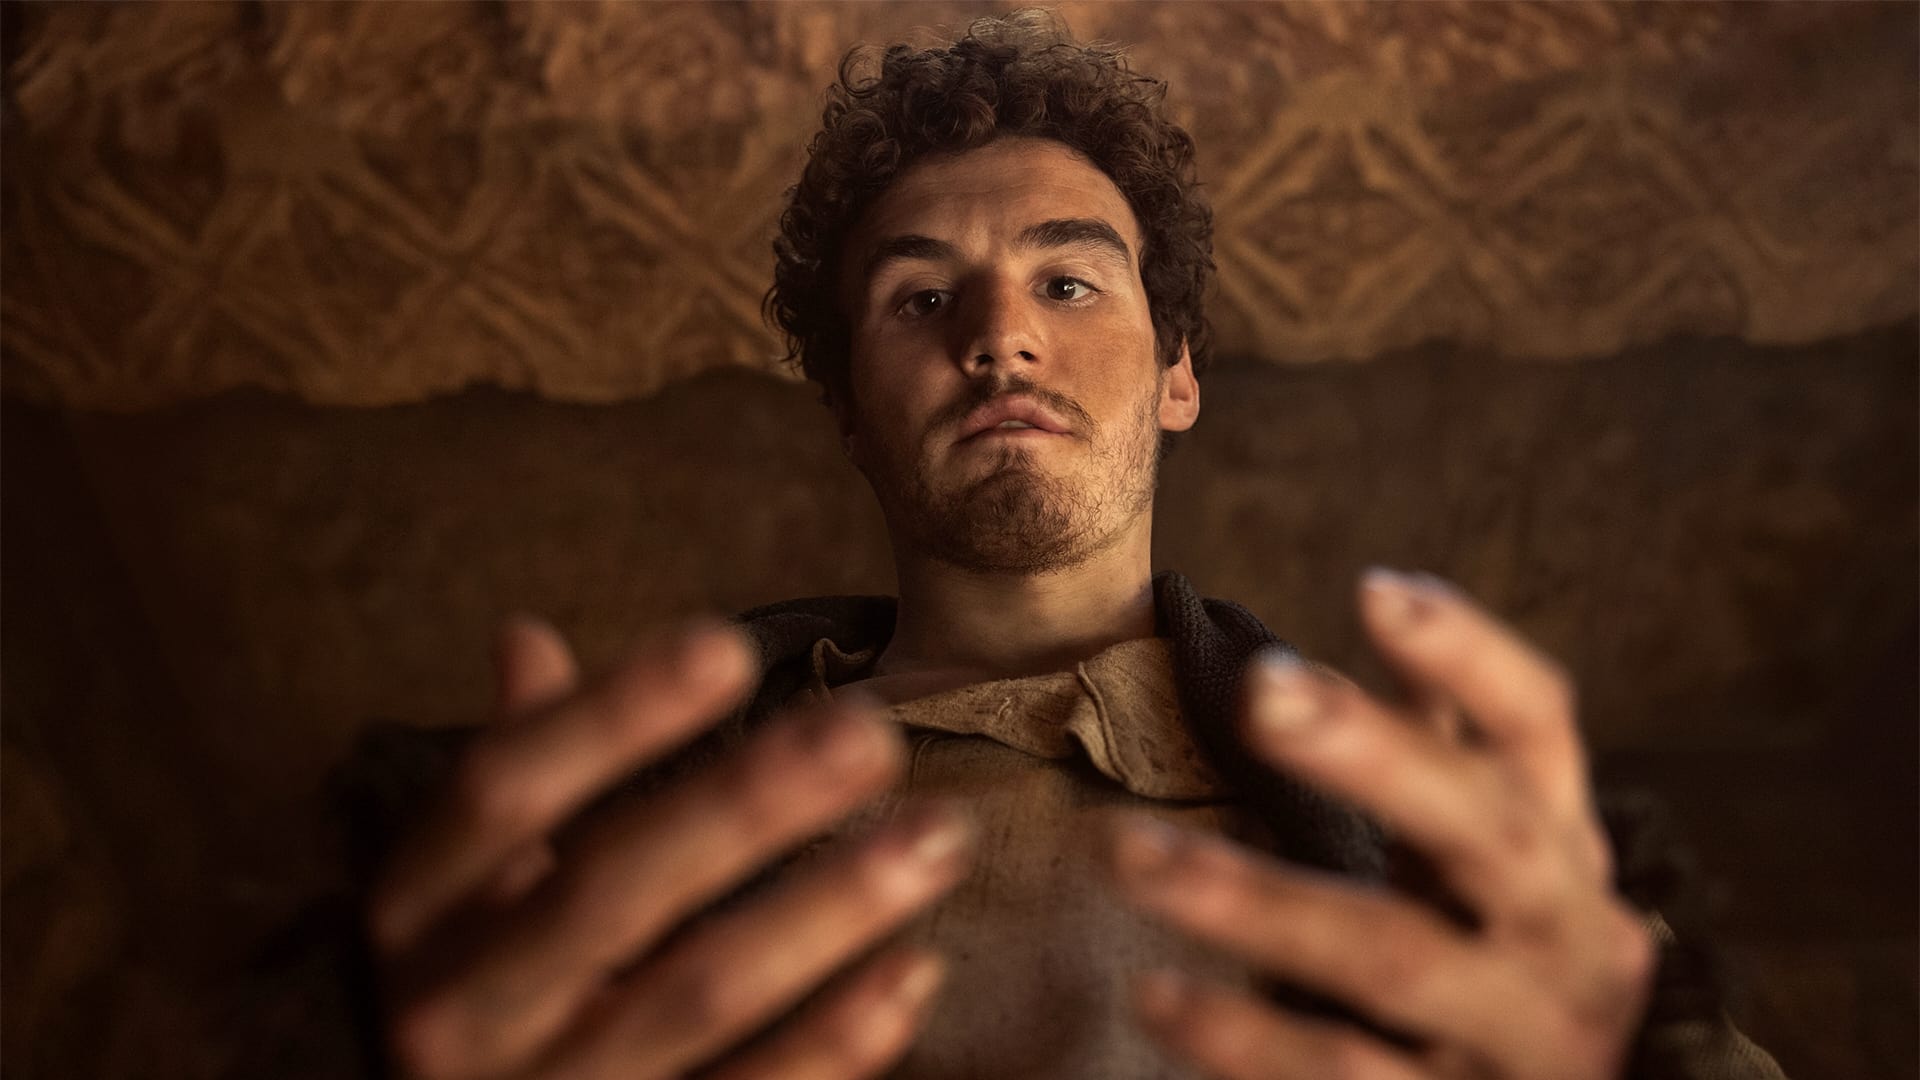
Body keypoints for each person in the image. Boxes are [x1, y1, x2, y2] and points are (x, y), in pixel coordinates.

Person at [334, 12, 1787, 1080]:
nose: (1000, 336)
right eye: (920, 300)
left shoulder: (1440, 845)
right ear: (849, 415)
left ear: (1179, 372)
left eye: (1071, 282)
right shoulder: (606, 848)